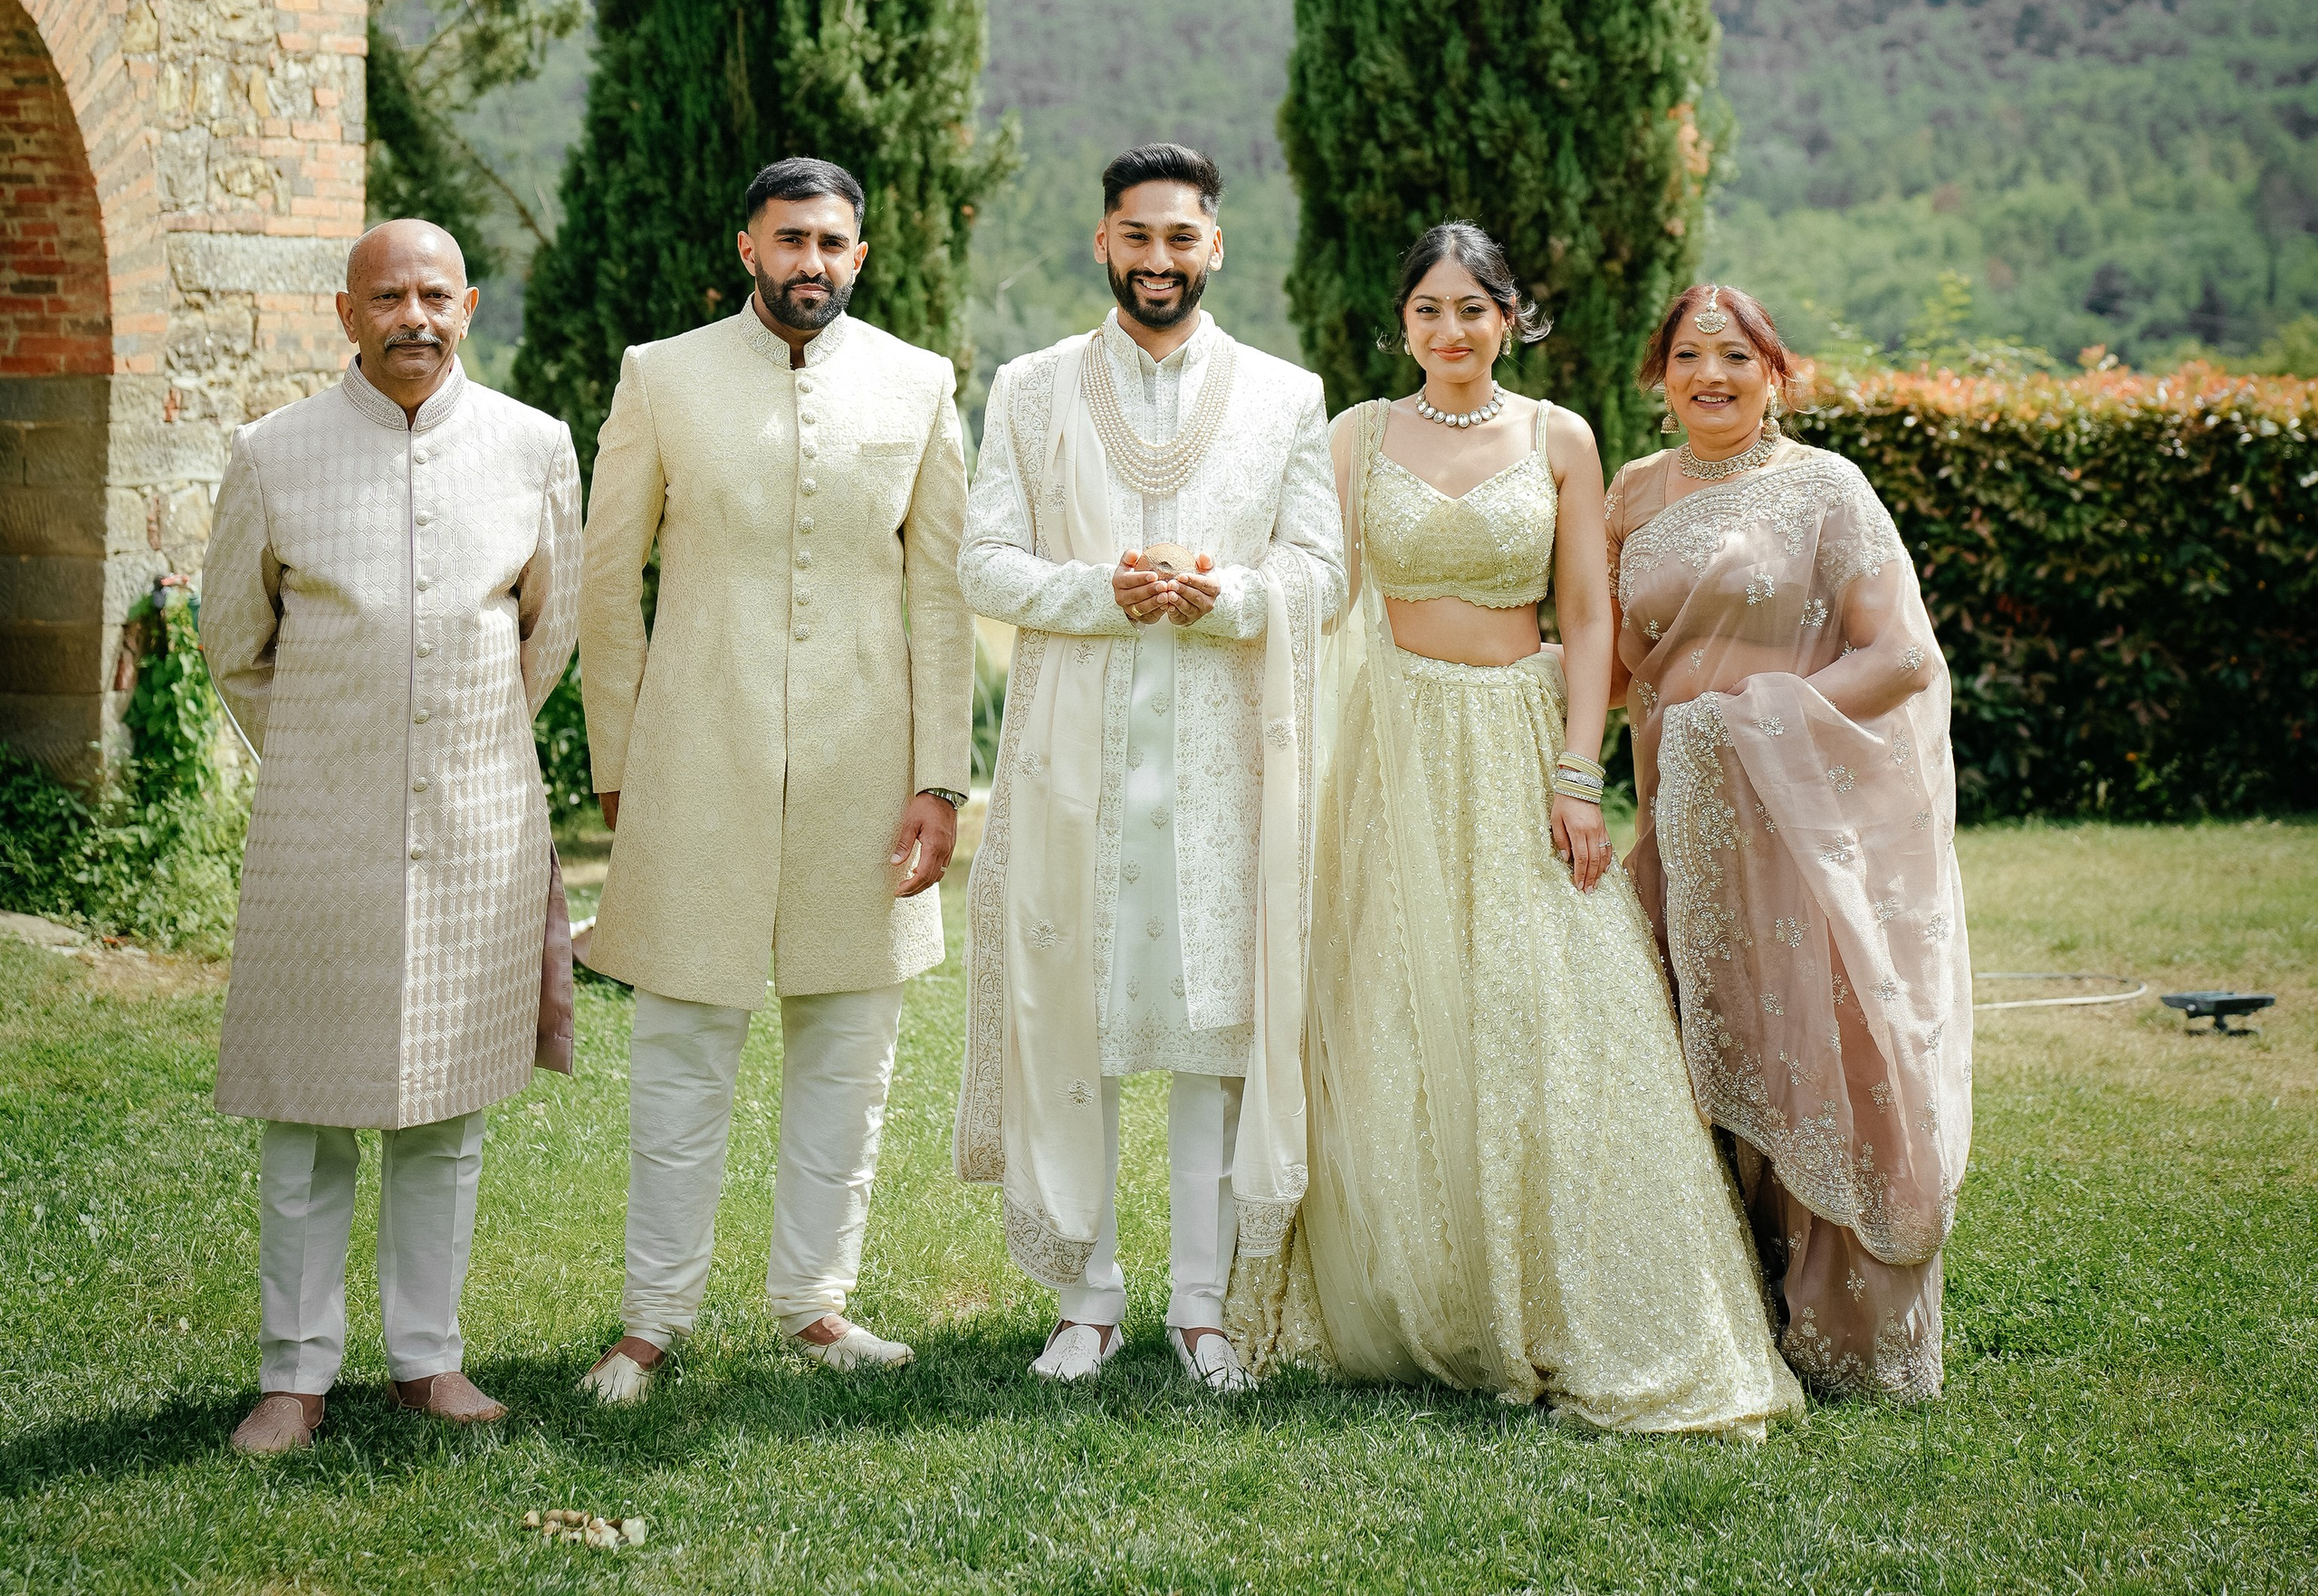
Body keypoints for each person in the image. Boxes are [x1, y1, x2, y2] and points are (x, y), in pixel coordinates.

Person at [1231, 223, 1801, 1435]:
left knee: (1551, 1000)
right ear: (1402, 325)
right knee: (1390, 1004)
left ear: (1510, 318)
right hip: (1388, 746)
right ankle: (1416, 1289)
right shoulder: (1354, 436)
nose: (1451, 332)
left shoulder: (1559, 437)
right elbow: (1318, 593)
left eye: (1473, 310)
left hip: (1513, 741)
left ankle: (1567, 1296)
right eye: (1429, 310)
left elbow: (1588, 614)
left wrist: (1576, 773)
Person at [574, 156, 973, 1399]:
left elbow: (943, 592)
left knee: (850, 1043)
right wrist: (618, 760)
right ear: (748, 245)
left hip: (871, 763)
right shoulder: (662, 375)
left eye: (833, 242)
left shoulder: (920, 383)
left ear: (861, 254)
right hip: (697, 749)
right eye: (790, 237)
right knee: (685, 1035)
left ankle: (815, 1302)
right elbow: (606, 583)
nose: (812, 260)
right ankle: (650, 1319)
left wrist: (943, 776)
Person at [953, 142, 1343, 1391]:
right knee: (1074, 1012)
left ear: (1216, 246)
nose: (1160, 258)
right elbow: (984, 561)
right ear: (1103, 239)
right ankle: (1087, 1295)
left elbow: (1322, 576)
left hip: (1230, 759)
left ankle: (1203, 1303)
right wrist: (1102, 589)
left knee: (1211, 1027)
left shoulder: (1289, 393)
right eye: (1138, 234)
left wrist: (1225, 594)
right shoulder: (1029, 386)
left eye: (1183, 237)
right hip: (1075, 754)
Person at [201, 218, 581, 1455]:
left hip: (479, 820)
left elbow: (549, 631)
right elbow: (233, 644)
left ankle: (430, 1358)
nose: (412, 313)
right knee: (307, 1113)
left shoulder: (532, 446)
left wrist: (454, 744)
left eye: (433, 292)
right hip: (319, 823)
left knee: (444, 1111)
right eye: (386, 295)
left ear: (467, 304)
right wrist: (336, 746)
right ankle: (293, 1378)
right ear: (346, 312)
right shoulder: (273, 451)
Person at [1610, 281, 1972, 1401]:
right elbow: (1608, 657)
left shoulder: (1826, 489)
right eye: (1686, 355)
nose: (1708, 375)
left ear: (1775, 372)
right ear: (1659, 375)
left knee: (1806, 1049)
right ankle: (1715, 1313)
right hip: (1675, 821)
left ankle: (1838, 1326)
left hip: (1793, 827)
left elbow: (1901, 653)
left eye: (1733, 355)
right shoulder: (1628, 494)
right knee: (1678, 1050)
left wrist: (1756, 716)